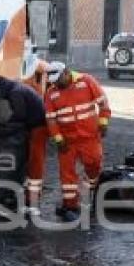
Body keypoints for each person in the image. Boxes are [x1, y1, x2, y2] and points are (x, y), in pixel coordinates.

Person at [44, 62, 112, 222]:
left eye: (58, 80)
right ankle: (70, 205)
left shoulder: (87, 81)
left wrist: (103, 122)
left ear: (66, 73)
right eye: (52, 81)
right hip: (68, 141)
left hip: (89, 137)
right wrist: (58, 139)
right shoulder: (51, 93)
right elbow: (51, 120)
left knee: (94, 164)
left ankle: (92, 188)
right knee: (67, 174)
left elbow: (103, 103)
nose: (55, 84)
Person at [0, 75, 46, 217]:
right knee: (21, 161)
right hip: (33, 123)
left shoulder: (16, 92)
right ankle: (17, 194)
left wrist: (2, 124)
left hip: (38, 126)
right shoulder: (12, 87)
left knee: (34, 160)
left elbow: (19, 114)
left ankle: (31, 198)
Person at [22, 60, 49, 215]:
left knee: (35, 163)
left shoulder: (38, 69)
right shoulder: (41, 69)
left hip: (38, 125)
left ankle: (32, 201)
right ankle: (31, 200)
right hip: (38, 124)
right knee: (34, 162)